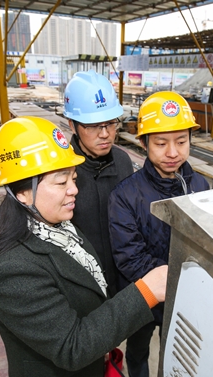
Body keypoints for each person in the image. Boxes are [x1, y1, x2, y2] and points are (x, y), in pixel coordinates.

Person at [0, 116, 168, 377]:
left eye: (74, 179)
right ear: (23, 192)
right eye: (61, 181)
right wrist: (146, 292)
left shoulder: (60, 227)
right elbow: (72, 346)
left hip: (89, 375)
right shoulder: (11, 270)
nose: (74, 189)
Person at [108, 91, 210, 377]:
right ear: (143, 143)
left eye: (181, 141)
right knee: (139, 348)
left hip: (184, 296)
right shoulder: (125, 195)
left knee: (178, 348)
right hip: (144, 294)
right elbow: (129, 258)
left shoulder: (201, 187)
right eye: (161, 143)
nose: (172, 152)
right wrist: (178, 279)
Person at [63, 70, 134, 297]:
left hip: (123, 279)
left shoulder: (123, 162)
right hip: (83, 286)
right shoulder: (61, 172)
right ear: (72, 125)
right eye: (93, 125)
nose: (105, 134)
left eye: (110, 123)